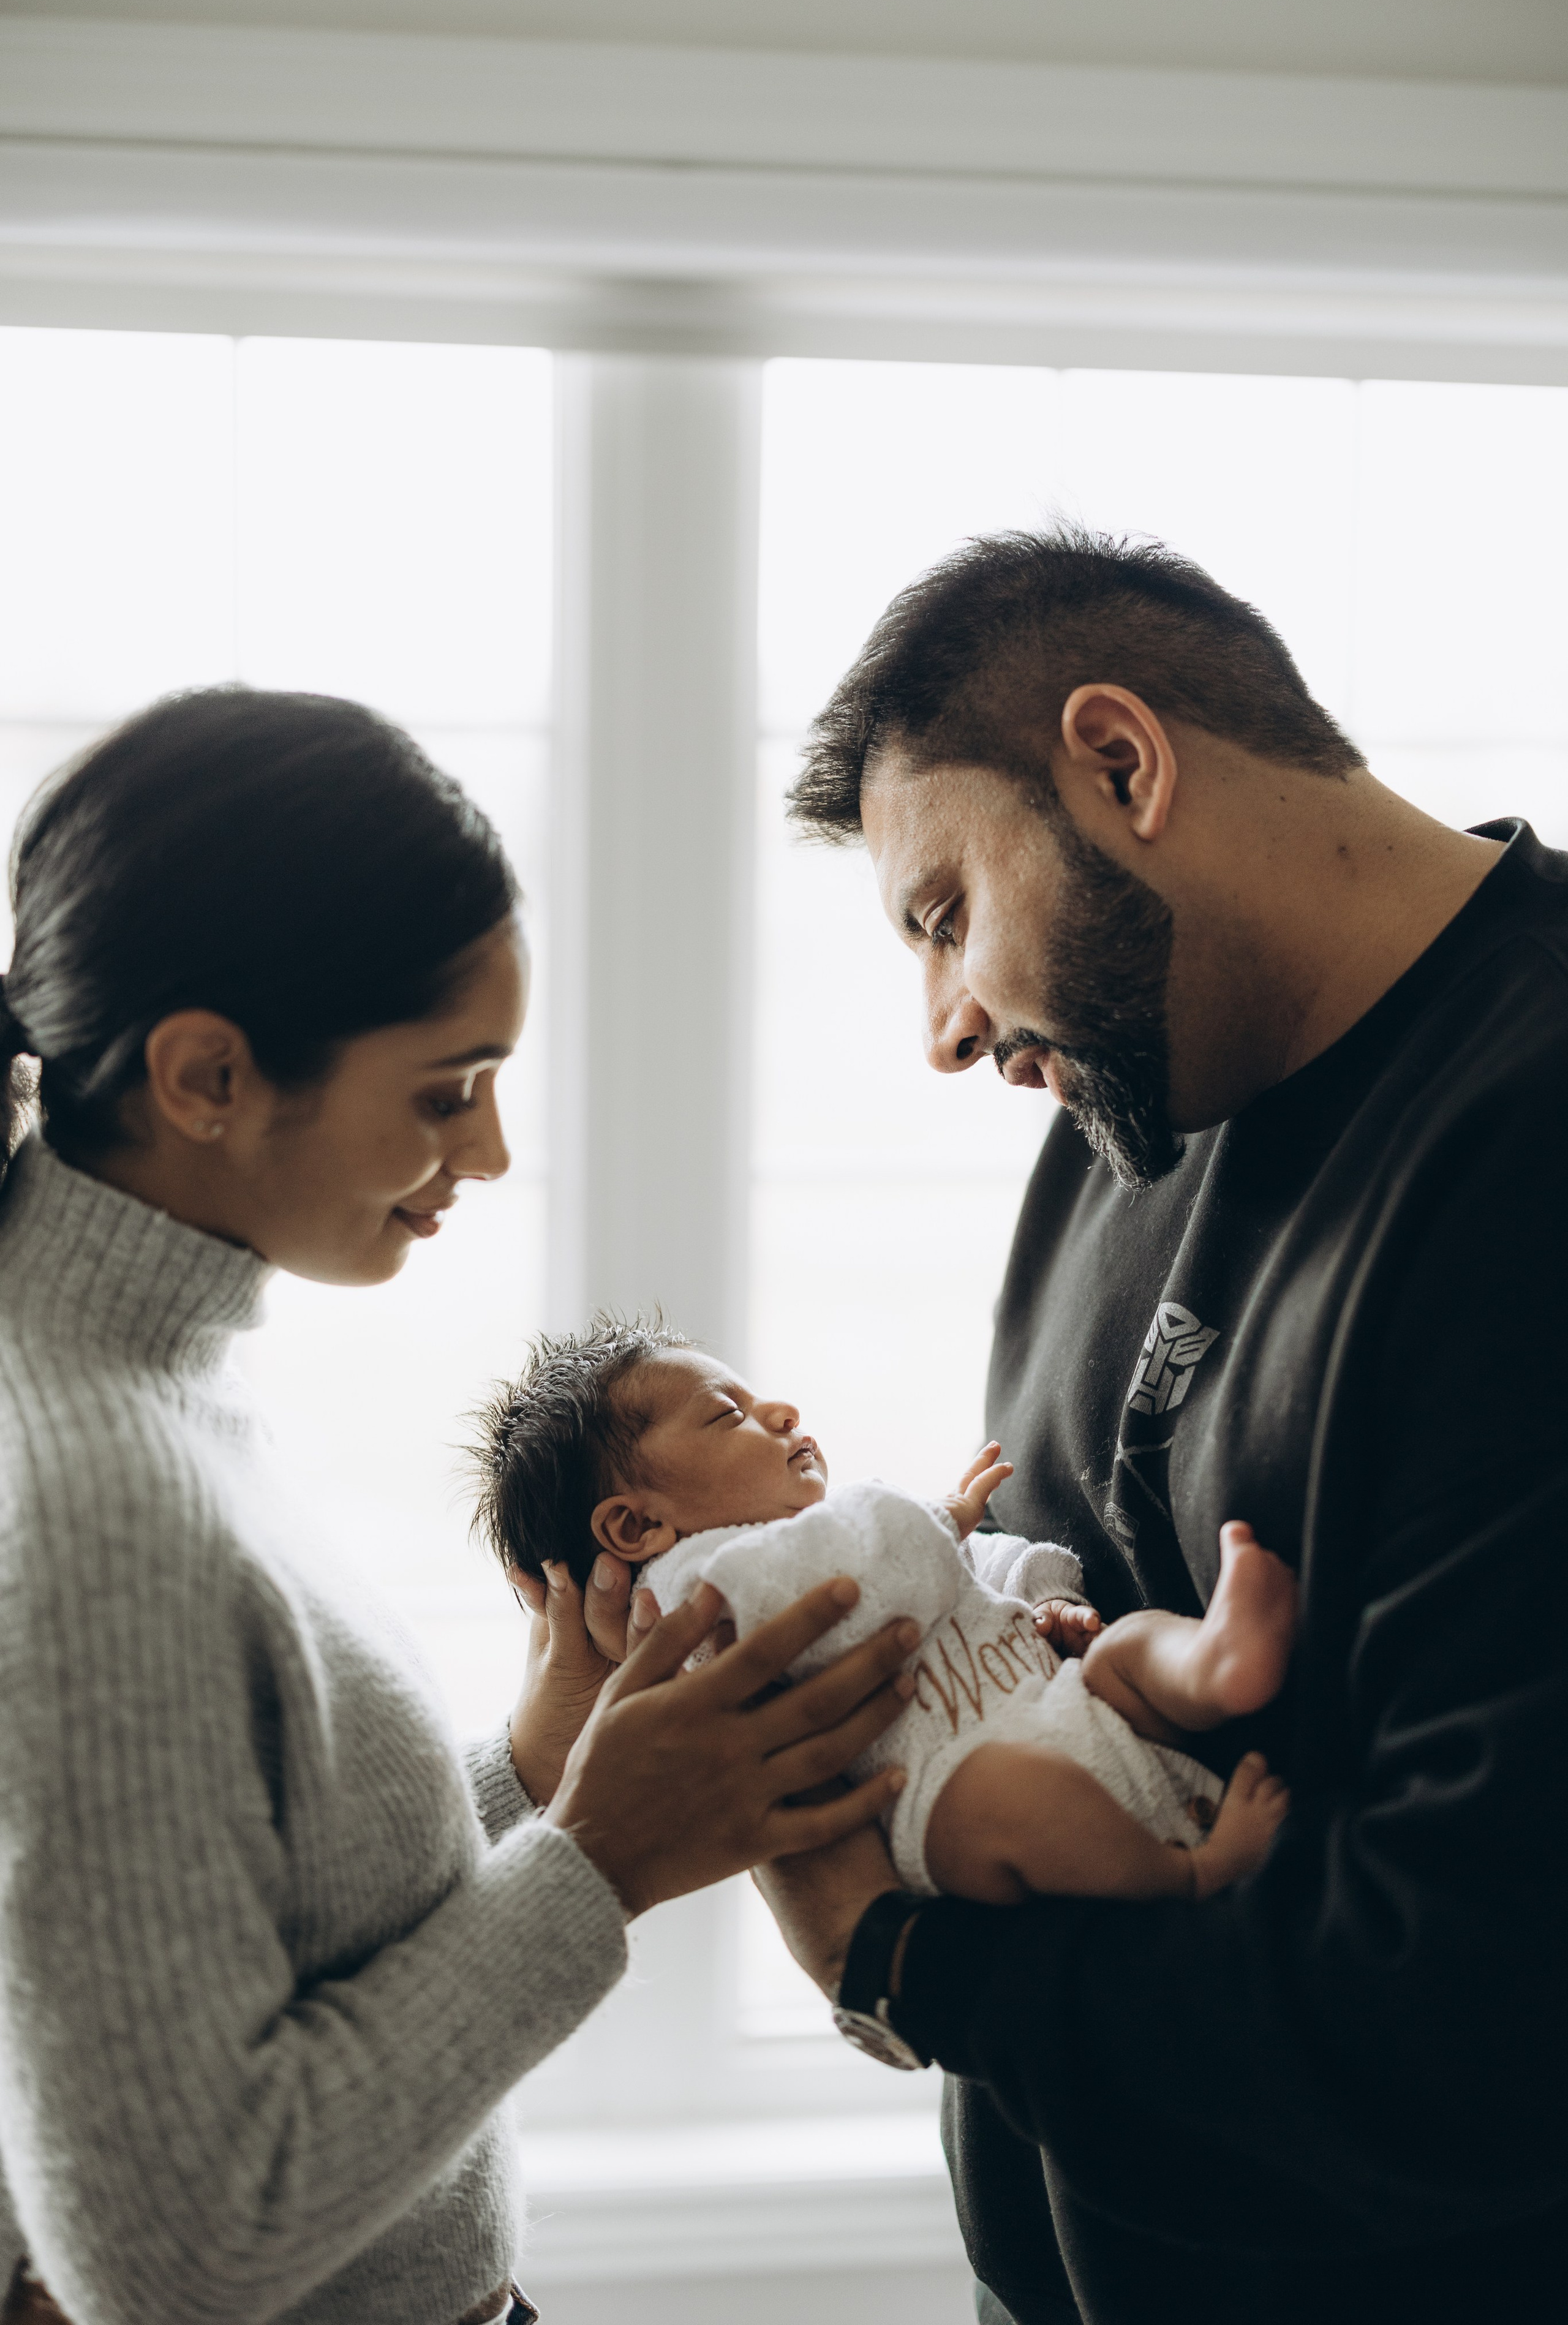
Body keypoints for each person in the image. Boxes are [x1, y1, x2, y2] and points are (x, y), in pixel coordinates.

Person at [0, 687, 915, 2325]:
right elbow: (173, 2256)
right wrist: (601, 1860)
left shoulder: (151, 1392)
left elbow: (247, 1951)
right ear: (205, 1075)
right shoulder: (90, 1504)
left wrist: (533, 1784)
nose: (487, 1154)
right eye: (444, 1090)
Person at [739, 528, 1568, 2325]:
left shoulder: (1534, 1137)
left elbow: (1478, 2001)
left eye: (944, 911)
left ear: (1120, 764)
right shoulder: (1128, 1116)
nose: (946, 1032)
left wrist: (897, 1959)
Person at [473, 1320, 1294, 1915]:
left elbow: (973, 1572)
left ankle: (1212, 1662)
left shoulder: (855, 1528)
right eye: (728, 1415)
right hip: (952, 1790)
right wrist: (942, 1514)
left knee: (1129, 1647)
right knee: (1002, 1797)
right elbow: (865, 1573)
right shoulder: (694, 1600)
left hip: (1064, 1708)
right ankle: (1189, 1874)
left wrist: (1049, 1598)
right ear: (636, 1527)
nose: (784, 1412)